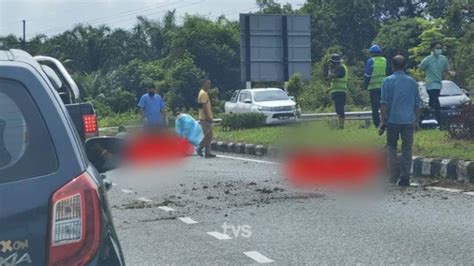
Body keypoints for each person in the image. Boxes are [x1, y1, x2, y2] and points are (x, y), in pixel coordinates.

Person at [380, 55, 421, 187]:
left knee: (392, 145)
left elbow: (384, 103)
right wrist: (417, 121)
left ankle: (393, 173)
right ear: (405, 66)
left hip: (392, 120)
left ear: (392, 66)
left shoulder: (387, 81)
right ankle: (405, 176)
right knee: (407, 148)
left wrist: (382, 120)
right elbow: (417, 104)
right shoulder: (412, 82)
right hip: (409, 120)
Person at [419, 41, 456, 126]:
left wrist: (451, 73)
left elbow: (446, 70)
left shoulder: (443, 59)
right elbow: (421, 68)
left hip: (438, 84)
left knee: (433, 103)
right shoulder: (427, 59)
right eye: (437, 48)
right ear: (432, 49)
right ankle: (440, 122)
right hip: (430, 84)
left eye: (440, 48)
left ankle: (427, 114)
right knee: (436, 102)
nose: (439, 50)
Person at [364, 44, 388, 127]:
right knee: (384, 105)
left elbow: (367, 75)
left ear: (371, 53)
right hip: (384, 87)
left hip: (373, 87)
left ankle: (377, 123)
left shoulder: (370, 61)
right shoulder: (384, 60)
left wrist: (365, 86)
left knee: (375, 107)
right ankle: (385, 121)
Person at [327, 53, 348, 129]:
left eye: (332, 62)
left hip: (340, 92)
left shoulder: (340, 68)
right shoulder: (340, 67)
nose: (331, 64)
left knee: (340, 109)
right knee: (338, 109)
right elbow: (336, 81)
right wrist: (330, 89)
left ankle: (341, 126)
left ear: (335, 62)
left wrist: (329, 69)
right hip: (338, 91)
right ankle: (340, 125)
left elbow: (331, 76)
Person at [197, 79, 216, 158]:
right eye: (208, 83)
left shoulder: (203, 93)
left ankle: (208, 153)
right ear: (204, 84)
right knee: (209, 135)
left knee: (208, 135)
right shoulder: (203, 94)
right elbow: (204, 107)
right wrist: (208, 117)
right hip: (205, 118)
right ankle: (200, 148)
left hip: (204, 117)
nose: (209, 85)